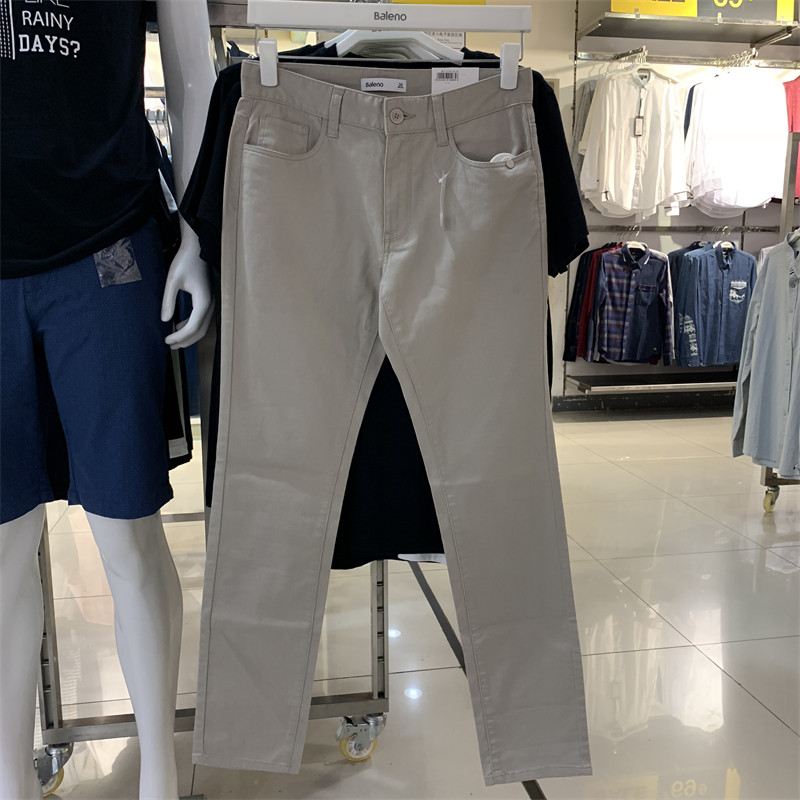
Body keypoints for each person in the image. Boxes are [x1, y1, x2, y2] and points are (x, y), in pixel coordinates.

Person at [0, 1, 215, 797]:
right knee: (1, 548)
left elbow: (192, 74)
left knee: (128, 531)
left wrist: (198, 228)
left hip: (107, 243)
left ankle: (161, 778)